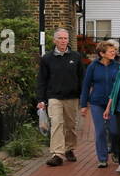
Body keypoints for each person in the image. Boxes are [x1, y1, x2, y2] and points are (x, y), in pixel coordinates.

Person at [36, 27, 84, 167]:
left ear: (68, 40)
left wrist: (84, 98)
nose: (63, 41)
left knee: (70, 126)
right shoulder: (47, 58)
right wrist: (41, 99)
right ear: (54, 40)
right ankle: (57, 154)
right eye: (60, 38)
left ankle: (69, 148)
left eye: (65, 38)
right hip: (54, 96)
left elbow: (82, 78)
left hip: (72, 97)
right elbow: (42, 80)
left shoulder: (76, 57)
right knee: (56, 123)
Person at [78, 40, 120, 168]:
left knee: (114, 131)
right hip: (97, 103)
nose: (114, 53)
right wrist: (83, 105)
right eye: (110, 51)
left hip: (114, 103)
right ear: (102, 53)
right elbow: (86, 86)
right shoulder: (93, 66)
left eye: (114, 51)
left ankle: (115, 150)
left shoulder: (117, 66)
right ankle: (102, 158)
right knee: (100, 131)